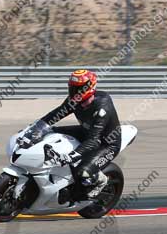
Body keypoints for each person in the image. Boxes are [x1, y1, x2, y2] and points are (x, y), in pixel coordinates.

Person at [39, 69, 121, 199]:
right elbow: (55, 115)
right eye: (72, 88)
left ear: (89, 88)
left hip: (106, 144)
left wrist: (72, 156)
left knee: (82, 172)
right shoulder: (74, 100)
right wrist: (35, 128)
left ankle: (100, 180)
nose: (74, 92)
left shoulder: (102, 106)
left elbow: (94, 141)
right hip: (85, 132)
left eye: (78, 88)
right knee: (50, 132)